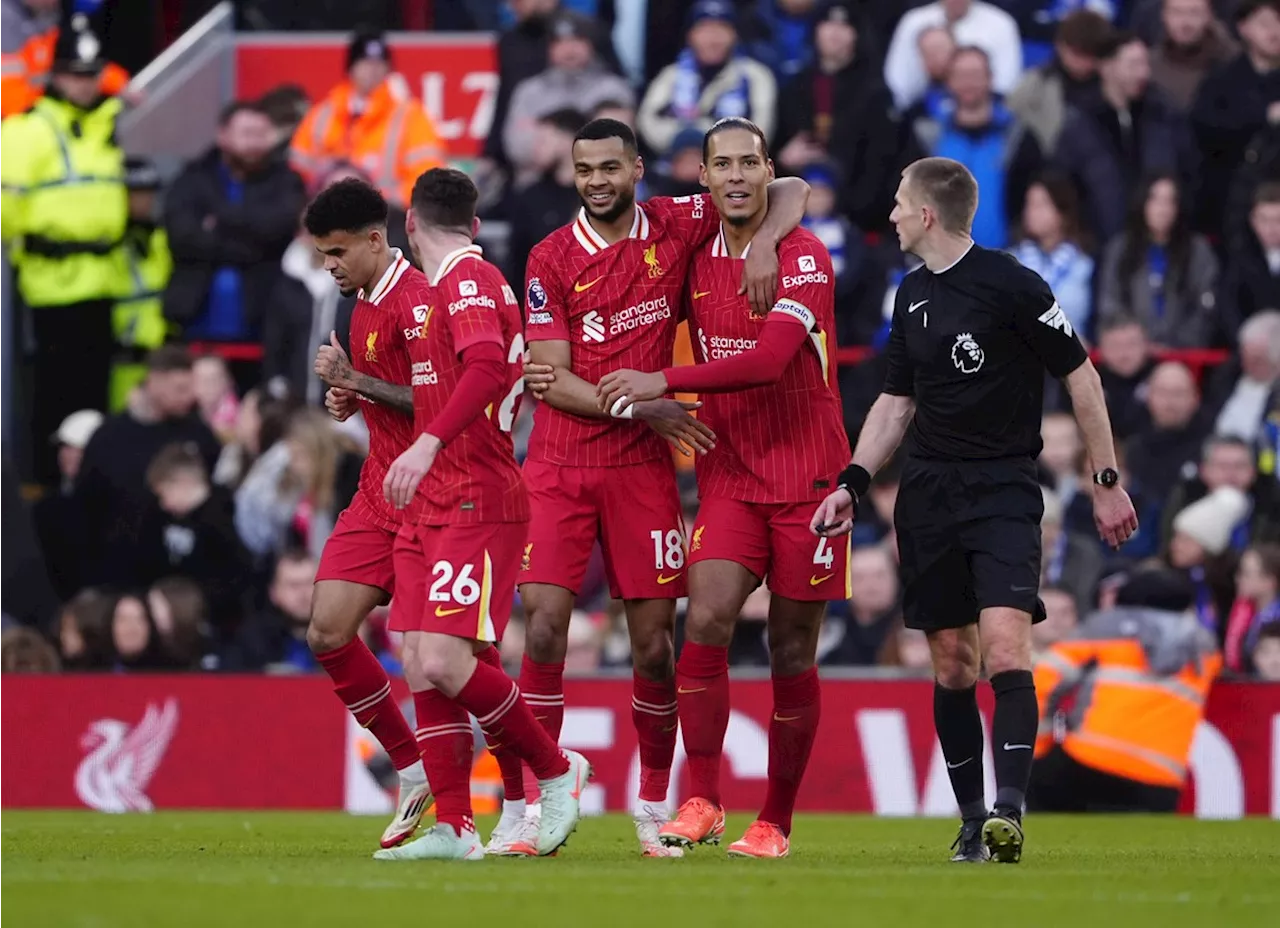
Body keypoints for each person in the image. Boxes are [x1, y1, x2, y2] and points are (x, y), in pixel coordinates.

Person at [809, 157, 1137, 864]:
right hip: (928, 493)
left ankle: (1010, 812)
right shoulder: (910, 294)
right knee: (953, 663)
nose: (890, 215)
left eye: (899, 203)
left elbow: (1081, 377)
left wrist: (1105, 477)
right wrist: (854, 482)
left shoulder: (1013, 284)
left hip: (1002, 490)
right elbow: (897, 403)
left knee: (1007, 647)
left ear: (927, 213)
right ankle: (970, 819)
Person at [514, 116, 809, 858]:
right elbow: (550, 379)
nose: (597, 182)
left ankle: (653, 801)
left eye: (610, 168)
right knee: (544, 625)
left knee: (654, 649)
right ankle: (537, 796)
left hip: (642, 471)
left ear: (638, 168)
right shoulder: (549, 257)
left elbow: (792, 186)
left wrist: (769, 242)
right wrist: (642, 404)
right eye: (585, 171)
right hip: (559, 462)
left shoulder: (679, 220)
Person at [593, 117, 847, 859]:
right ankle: (701, 797)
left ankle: (777, 821)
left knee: (790, 647)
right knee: (702, 620)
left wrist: (662, 380)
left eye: (749, 162)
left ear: (768, 169)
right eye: (722, 164)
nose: (736, 175)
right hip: (730, 475)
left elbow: (768, 362)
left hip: (810, 480)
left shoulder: (803, 258)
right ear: (702, 178)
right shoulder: (692, 252)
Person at [374, 167, 589, 861]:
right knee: (418, 657)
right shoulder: (441, 289)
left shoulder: (467, 280)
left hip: (477, 494)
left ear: (409, 224)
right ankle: (455, 827)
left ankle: (557, 772)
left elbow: (490, 366)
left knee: (442, 657)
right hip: (433, 497)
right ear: (472, 218)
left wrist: (427, 443)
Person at [300, 178, 432, 850]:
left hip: (437, 496)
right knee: (326, 631)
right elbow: (389, 397)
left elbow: (445, 402)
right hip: (379, 491)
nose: (329, 265)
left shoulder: (421, 300)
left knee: (436, 658)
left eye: (337, 252)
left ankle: (543, 768)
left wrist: (356, 383)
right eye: (323, 255)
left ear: (377, 240)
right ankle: (412, 768)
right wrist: (353, 402)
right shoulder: (359, 302)